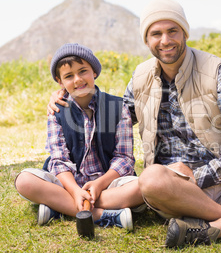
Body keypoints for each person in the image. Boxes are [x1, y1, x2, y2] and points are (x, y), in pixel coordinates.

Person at [48, 0, 221, 247]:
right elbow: (112, 119)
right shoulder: (140, 78)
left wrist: (198, 176)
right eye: (156, 34)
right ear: (147, 40)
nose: (165, 40)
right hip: (173, 189)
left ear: (185, 33)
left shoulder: (220, 74)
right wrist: (69, 97)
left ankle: (210, 229)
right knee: (152, 178)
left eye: (172, 31)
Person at [16, 43, 144, 230]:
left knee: (144, 187)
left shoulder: (118, 107)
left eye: (83, 71)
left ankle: (59, 208)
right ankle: (102, 215)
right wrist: (75, 191)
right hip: (67, 185)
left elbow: (124, 159)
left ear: (94, 72)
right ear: (60, 82)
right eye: (69, 76)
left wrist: (100, 184)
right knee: (24, 181)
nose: (77, 80)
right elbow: (59, 160)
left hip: (108, 183)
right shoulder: (57, 111)